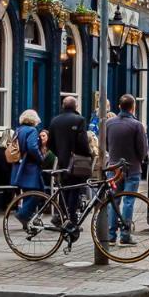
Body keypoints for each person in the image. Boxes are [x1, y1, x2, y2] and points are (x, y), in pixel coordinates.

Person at [104, 94, 149, 246]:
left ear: (119, 106)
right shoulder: (137, 125)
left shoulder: (109, 123)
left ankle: (110, 236)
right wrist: (139, 159)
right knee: (128, 201)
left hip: (113, 168)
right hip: (132, 168)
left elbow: (105, 145)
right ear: (133, 107)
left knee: (113, 201)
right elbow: (142, 149)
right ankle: (125, 235)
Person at [48, 96, 92, 230]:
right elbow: (83, 142)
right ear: (76, 106)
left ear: (63, 106)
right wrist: (87, 154)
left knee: (64, 190)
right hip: (76, 162)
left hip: (62, 161)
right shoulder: (79, 120)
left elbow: (50, 143)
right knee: (75, 191)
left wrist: (61, 154)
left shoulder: (55, 120)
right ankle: (72, 221)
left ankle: (61, 217)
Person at [11, 110, 45, 226]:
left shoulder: (18, 130)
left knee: (28, 193)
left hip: (19, 166)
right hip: (30, 167)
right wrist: (41, 159)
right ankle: (23, 214)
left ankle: (26, 221)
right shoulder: (32, 130)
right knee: (38, 192)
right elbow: (32, 147)